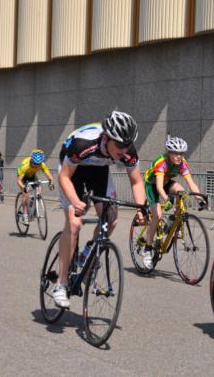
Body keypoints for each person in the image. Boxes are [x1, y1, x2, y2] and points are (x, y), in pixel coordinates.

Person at [54, 111, 147, 308]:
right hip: (72, 170)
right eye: (119, 145)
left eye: (127, 145)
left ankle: (86, 253)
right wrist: (75, 201)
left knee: (111, 218)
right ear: (106, 138)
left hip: (99, 170)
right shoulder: (83, 144)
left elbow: (137, 181)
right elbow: (64, 177)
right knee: (74, 224)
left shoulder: (126, 150)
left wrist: (141, 208)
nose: (124, 150)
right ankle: (61, 283)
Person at [139, 136, 204, 269]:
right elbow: (159, 187)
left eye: (181, 153)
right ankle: (147, 249)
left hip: (166, 182)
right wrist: (167, 200)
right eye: (175, 153)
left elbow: (191, 184)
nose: (179, 156)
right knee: (157, 215)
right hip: (152, 184)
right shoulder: (161, 162)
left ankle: (173, 220)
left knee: (181, 191)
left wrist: (200, 199)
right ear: (169, 153)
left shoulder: (182, 164)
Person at [16, 149, 54, 224]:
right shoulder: (26, 166)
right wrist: (23, 187)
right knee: (25, 194)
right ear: (31, 161)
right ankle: (25, 214)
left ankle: (34, 204)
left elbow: (50, 177)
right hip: (22, 176)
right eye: (34, 164)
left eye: (38, 164)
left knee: (39, 187)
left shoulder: (42, 165)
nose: (36, 166)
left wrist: (51, 183)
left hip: (32, 175)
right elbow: (18, 181)